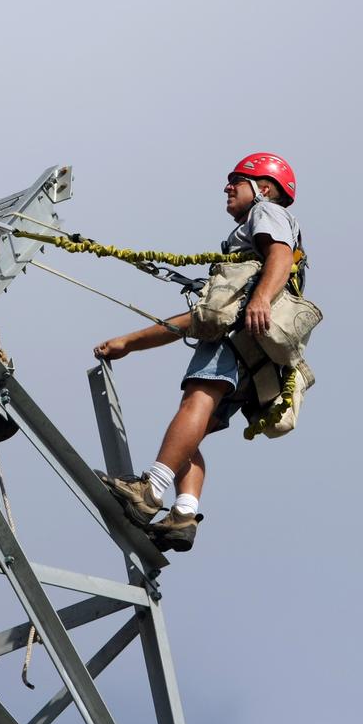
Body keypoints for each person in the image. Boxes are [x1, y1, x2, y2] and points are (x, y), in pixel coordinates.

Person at [94, 152, 301, 552]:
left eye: (238, 181)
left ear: (265, 188)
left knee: (194, 407)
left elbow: (280, 255)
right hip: (254, 356)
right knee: (189, 439)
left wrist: (260, 299)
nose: (228, 187)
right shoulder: (244, 266)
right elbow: (202, 317)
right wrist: (130, 343)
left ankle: (149, 492)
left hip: (237, 339)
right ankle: (184, 514)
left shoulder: (267, 214)